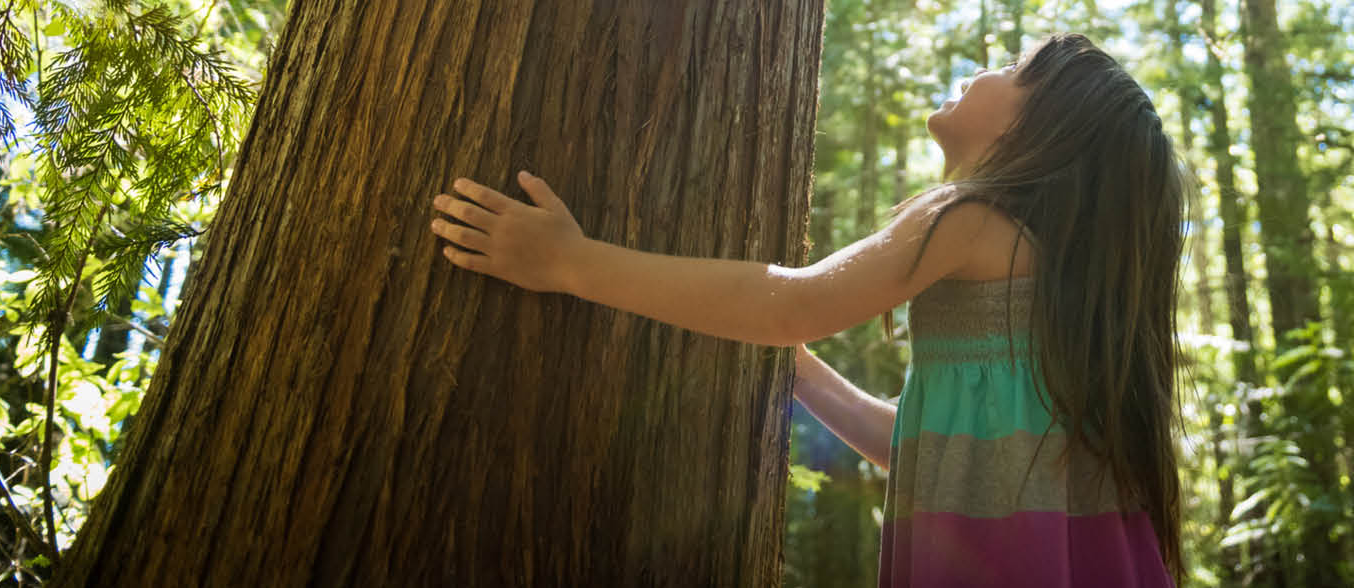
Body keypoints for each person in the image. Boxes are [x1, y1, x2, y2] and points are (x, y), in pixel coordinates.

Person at [428, 32, 1186, 587]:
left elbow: (791, 301)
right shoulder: (1050, 310)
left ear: (1045, 132)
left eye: (1017, 69)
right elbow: (933, 451)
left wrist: (571, 260)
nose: (987, 66)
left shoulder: (968, 220)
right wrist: (803, 376)